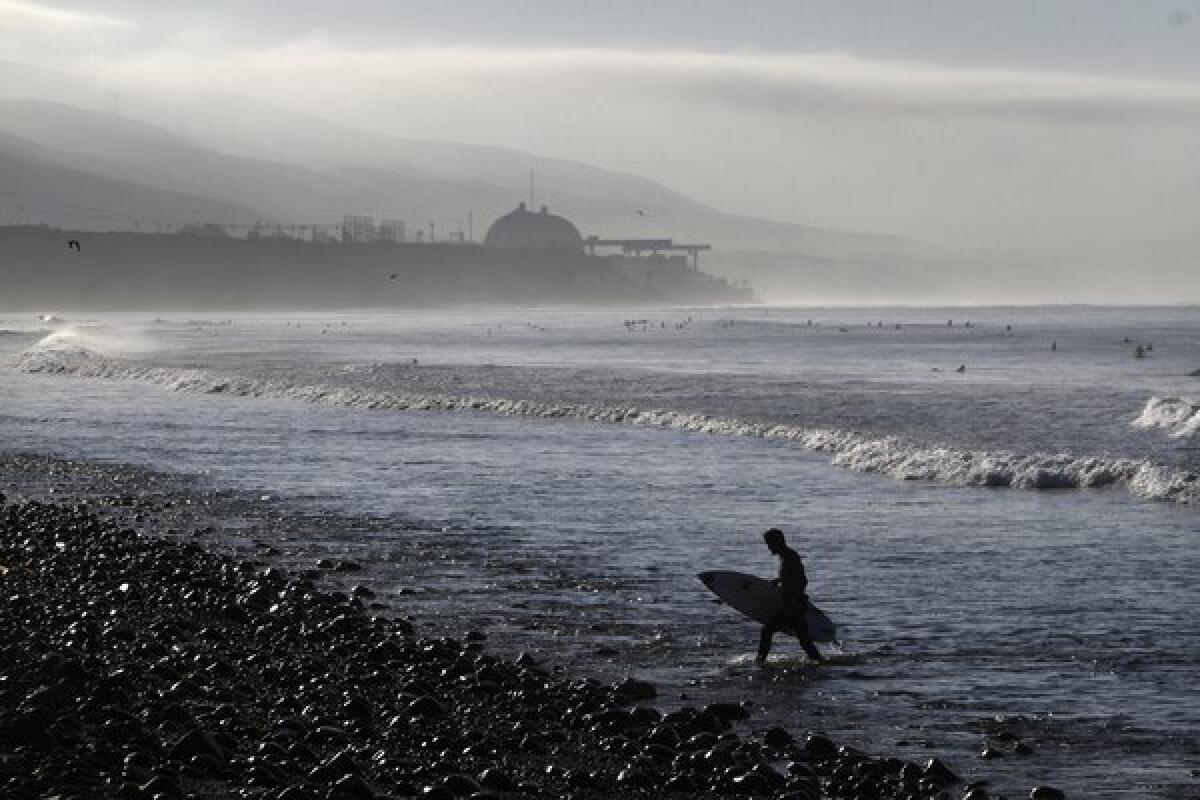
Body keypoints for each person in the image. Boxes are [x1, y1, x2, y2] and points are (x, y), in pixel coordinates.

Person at [758, 528, 823, 665]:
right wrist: (779, 580)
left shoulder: (790, 558)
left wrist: (793, 604)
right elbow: (792, 577)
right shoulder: (787, 556)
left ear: (777, 542)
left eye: (769, 543)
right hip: (795, 605)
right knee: (804, 641)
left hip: (794, 606)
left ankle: (760, 662)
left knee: (767, 630)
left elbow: (802, 581)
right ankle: (820, 662)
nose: (768, 547)